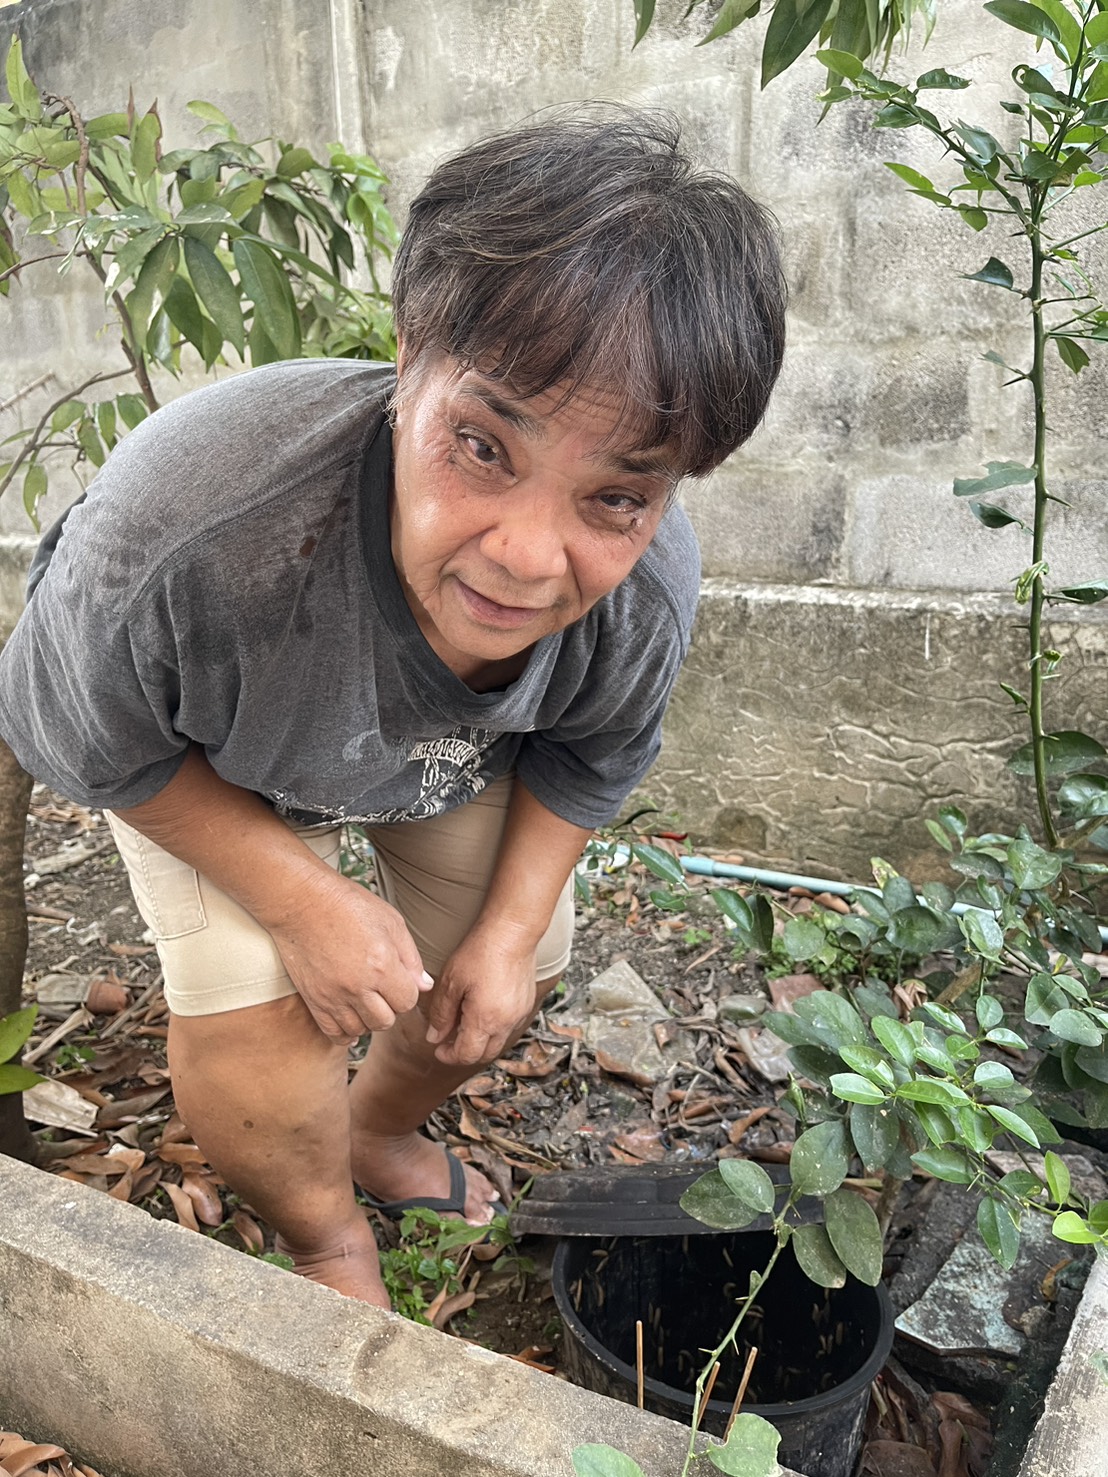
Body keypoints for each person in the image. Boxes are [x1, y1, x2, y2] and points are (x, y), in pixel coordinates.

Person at [0, 107, 785, 1307]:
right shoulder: (193, 527)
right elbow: (85, 733)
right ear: (409, 355)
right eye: (483, 446)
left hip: (426, 759)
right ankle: (321, 1233)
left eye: (615, 498)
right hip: (196, 761)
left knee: (512, 957)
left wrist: (508, 935)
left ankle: (372, 1129)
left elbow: (591, 754)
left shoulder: (646, 592)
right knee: (259, 1010)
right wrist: (298, 894)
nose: (527, 558)